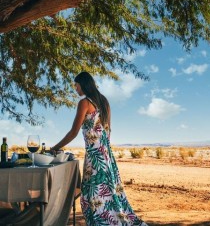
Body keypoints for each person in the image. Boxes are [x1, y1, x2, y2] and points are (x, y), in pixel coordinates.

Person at [51, 72, 148, 226]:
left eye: (76, 86)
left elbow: (74, 132)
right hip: (106, 155)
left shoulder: (84, 103)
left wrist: (55, 147)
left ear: (83, 84)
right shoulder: (104, 102)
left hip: (95, 156)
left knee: (93, 195)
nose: (76, 89)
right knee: (109, 192)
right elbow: (108, 130)